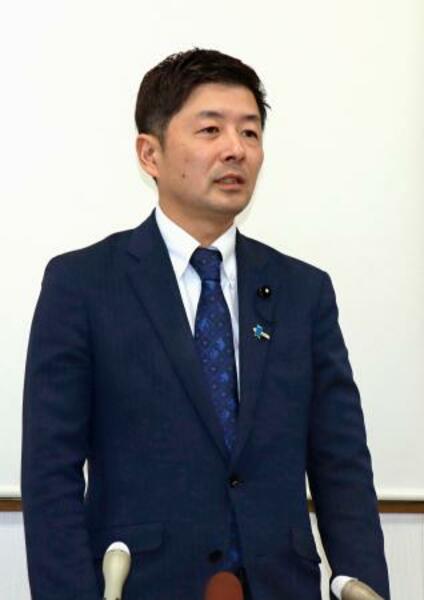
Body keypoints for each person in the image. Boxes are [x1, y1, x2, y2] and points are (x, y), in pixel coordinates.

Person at [21, 48, 390, 600]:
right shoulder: (83, 285)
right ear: (150, 153)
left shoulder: (303, 292)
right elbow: (50, 472)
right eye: (211, 129)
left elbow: (343, 466)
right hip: (140, 585)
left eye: (250, 132)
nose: (235, 149)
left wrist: (365, 584)